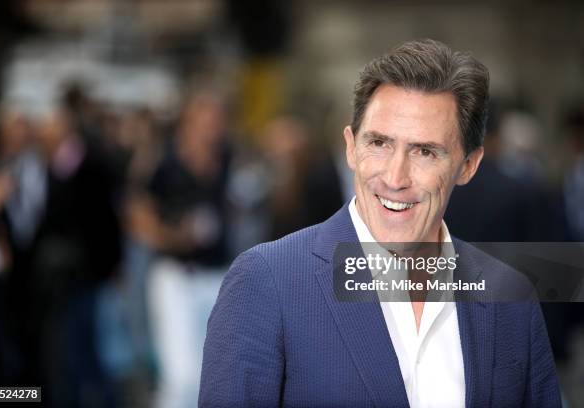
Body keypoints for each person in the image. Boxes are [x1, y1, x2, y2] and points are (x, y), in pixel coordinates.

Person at [199, 39, 561, 407]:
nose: (395, 176)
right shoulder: (268, 282)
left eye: (425, 151)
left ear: (468, 165)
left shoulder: (510, 295)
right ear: (351, 147)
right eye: (379, 144)